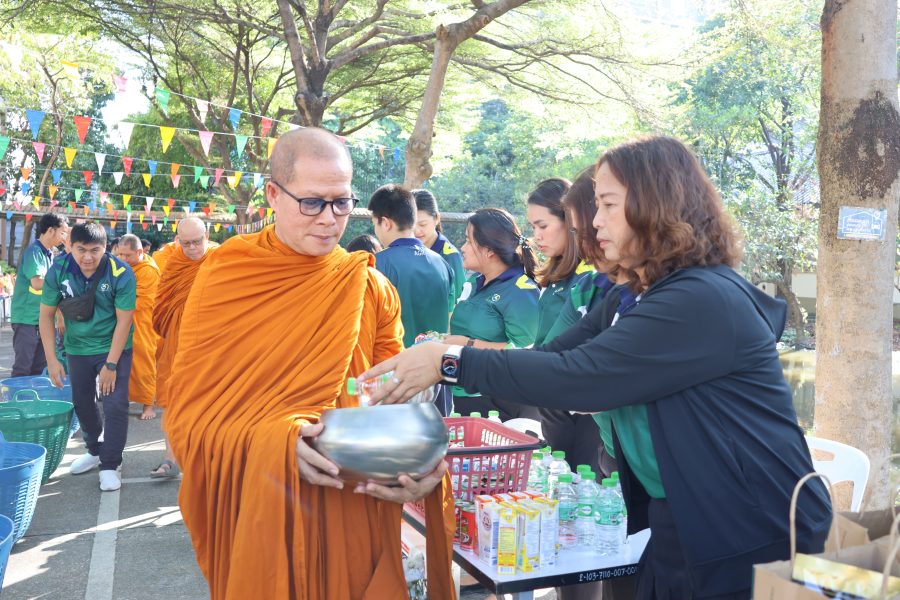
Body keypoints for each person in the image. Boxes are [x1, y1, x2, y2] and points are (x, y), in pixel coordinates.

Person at [362, 136, 833, 599]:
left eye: (607, 205)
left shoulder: (699, 298)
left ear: (656, 205)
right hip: (681, 517)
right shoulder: (631, 296)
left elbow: (582, 376)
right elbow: (551, 359)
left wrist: (450, 362)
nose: (594, 221)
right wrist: (444, 359)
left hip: (754, 529)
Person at [164, 127, 455, 600]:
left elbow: (389, 402)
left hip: (352, 502)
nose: (329, 219)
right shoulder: (227, 275)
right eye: (312, 203)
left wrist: (416, 466)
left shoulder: (368, 286)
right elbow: (189, 416)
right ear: (273, 195)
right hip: (266, 506)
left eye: (341, 203)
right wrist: (274, 443)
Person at [39, 222, 136, 492]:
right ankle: (94, 450)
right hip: (77, 348)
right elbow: (46, 316)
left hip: (113, 347)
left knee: (115, 405)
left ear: (106, 248)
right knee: (82, 403)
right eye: (81, 249)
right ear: (70, 246)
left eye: (95, 250)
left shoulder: (121, 273)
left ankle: (110, 464)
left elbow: (124, 321)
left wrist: (111, 364)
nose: (88, 257)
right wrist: (52, 359)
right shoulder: (59, 269)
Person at [525, 177, 603, 475]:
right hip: (552, 398)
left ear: (570, 221)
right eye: (533, 227)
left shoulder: (589, 278)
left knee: (581, 483)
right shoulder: (559, 275)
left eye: (542, 225)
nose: (536, 236)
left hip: (582, 409)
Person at [442, 208, 539, 421]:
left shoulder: (520, 291)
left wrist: (468, 344)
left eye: (468, 241)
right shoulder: (474, 282)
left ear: (489, 250)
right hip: (460, 391)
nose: (462, 248)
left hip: (497, 403)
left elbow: (527, 353)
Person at [149, 217, 213, 478]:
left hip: (211, 345)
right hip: (176, 343)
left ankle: (208, 457)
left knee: (209, 403)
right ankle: (170, 457)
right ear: (178, 241)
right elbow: (162, 301)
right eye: (186, 243)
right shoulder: (173, 261)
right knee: (173, 399)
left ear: (206, 237)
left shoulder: (223, 260)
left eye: (197, 242)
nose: (192, 248)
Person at [370, 184, 454, 348]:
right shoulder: (443, 263)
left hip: (395, 360)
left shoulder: (376, 264)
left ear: (385, 223)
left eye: (375, 224)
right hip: (436, 358)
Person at [11, 212, 69, 376]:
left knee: (39, 369)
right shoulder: (34, 252)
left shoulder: (49, 254)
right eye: (63, 232)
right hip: (27, 319)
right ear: (51, 230)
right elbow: (37, 284)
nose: (65, 238)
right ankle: (17, 394)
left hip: (43, 320)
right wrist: (64, 284)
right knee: (23, 368)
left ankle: (32, 395)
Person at [116, 234, 161, 420]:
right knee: (121, 364)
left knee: (143, 363)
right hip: (122, 321)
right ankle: (123, 400)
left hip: (142, 323)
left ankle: (148, 405)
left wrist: (117, 301)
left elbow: (142, 300)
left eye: (128, 255)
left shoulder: (148, 271)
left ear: (140, 252)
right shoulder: (123, 266)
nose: (124, 259)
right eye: (121, 255)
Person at [413, 189, 465, 305]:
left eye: (422, 224)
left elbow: (459, 301)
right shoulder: (406, 250)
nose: (416, 231)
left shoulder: (450, 256)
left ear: (436, 218)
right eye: (411, 224)